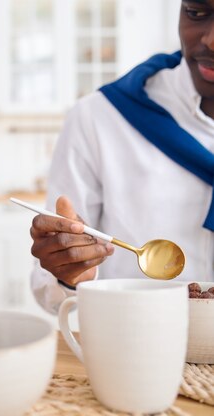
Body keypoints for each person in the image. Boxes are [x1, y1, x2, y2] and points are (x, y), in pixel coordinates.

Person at [29, 0, 214, 314]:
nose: (210, 40)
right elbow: (52, 294)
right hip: (133, 348)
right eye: (196, 13)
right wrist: (71, 274)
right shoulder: (100, 118)